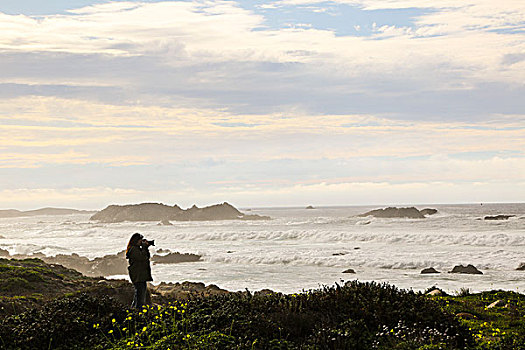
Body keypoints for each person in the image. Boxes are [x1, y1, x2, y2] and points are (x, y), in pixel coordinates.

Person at [126, 233, 153, 309]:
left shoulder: (137, 249)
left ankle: (133, 310)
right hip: (138, 275)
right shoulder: (133, 249)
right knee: (140, 297)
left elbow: (146, 257)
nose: (141, 242)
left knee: (138, 295)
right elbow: (142, 257)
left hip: (140, 275)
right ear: (136, 241)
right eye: (140, 240)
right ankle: (138, 311)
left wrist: (145, 248)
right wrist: (144, 248)